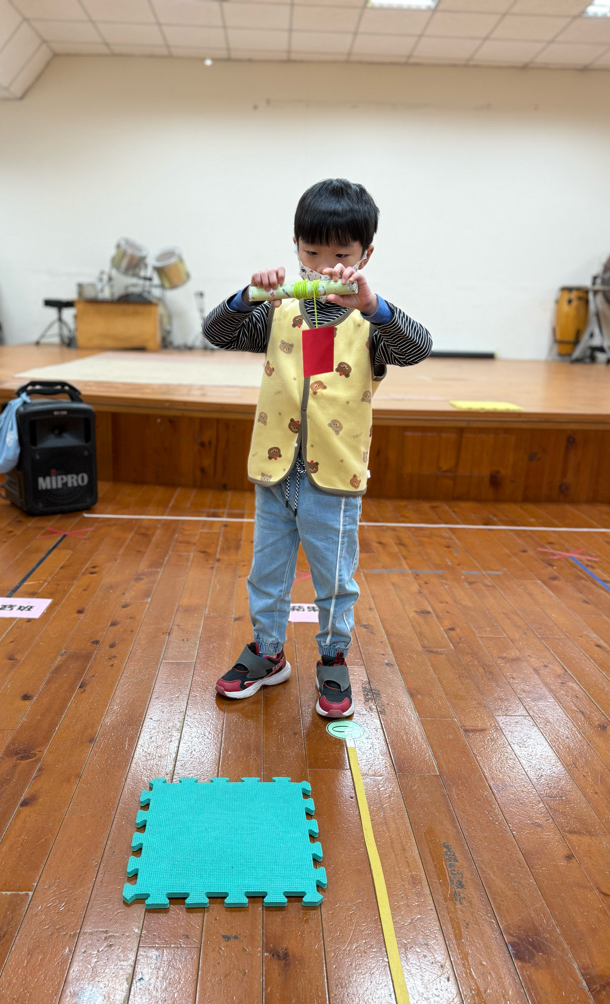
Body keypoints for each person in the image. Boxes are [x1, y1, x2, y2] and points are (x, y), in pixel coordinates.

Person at [204, 178, 432, 718]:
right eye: (311, 253)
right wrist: (246, 296)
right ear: (296, 246)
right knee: (267, 571)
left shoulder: (371, 322)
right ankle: (268, 652)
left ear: (365, 255)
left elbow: (418, 348)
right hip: (276, 469)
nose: (324, 266)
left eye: (341, 255)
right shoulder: (277, 311)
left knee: (334, 579)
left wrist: (374, 305)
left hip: (333, 474)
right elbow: (217, 332)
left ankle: (332, 657)